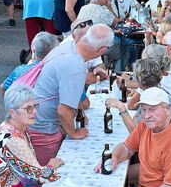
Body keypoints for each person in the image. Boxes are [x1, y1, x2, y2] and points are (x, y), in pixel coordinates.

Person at [28, 24, 114, 165]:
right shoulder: (75, 65)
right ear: (102, 50)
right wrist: (73, 133)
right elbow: (63, 111)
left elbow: (69, 89)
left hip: (36, 118)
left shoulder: (67, 47)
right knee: (48, 175)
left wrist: (79, 110)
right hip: (43, 129)